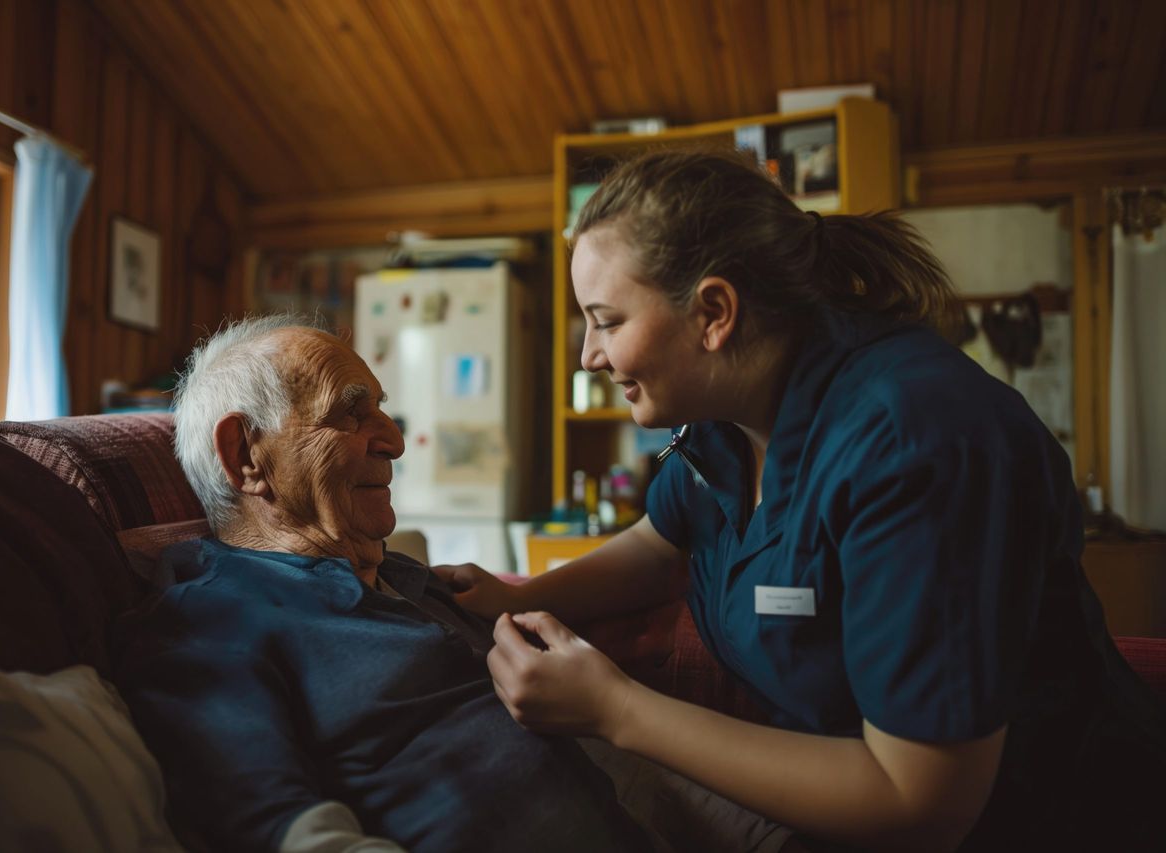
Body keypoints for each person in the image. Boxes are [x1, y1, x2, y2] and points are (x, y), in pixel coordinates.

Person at [438, 149, 1166, 852]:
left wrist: (616, 708)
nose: (589, 356)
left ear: (714, 312)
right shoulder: (730, 413)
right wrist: (513, 594)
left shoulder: (916, 440)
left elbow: (920, 805)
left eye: (608, 319)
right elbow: (661, 544)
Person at [113, 316, 659, 853]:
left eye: (382, 409)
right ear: (247, 456)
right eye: (351, 415)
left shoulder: (407, 578)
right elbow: (279, 828)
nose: (396, 442)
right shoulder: (212, 621)